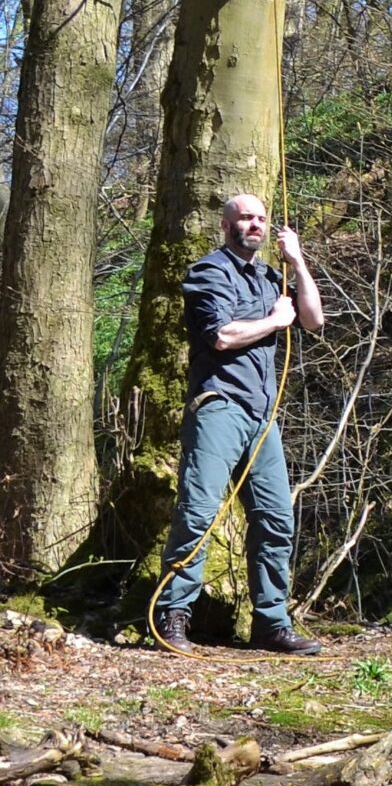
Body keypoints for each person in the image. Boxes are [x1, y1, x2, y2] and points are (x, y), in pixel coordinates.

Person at [152, 193, 325, 655]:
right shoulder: (209, 272)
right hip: (219, 407)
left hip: (262, 417)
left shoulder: (272, 276)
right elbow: (222, 335)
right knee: (199, 512)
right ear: (226, 226)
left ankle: (271, 624)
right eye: (245, 218)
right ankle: (173, 615)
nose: (255, 225)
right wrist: (274, 321)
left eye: (261, 219)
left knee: (276, 518)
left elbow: (313, 320)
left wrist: (298, 262)